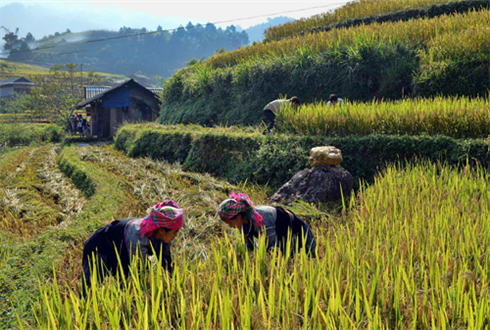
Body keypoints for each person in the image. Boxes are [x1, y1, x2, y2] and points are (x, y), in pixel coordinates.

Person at [82, 200, 183, 295]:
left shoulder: (163, 237)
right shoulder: (138, 237)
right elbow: (139, 272)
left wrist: (175, 284)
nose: (176, 236)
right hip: (99, 249)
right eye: (175, 232)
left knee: (123, 283)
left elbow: (166, 262)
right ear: (161, 231)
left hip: (121, 250)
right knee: (91, 290)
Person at [218, 193, 316, 257]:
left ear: (238, 216)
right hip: (282, 237)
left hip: (298, 232)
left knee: (310, 261)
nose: (230, 226)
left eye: (230, 223)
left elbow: (273, 249)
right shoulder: (243, 225)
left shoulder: (261, 218)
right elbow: (250, 247)